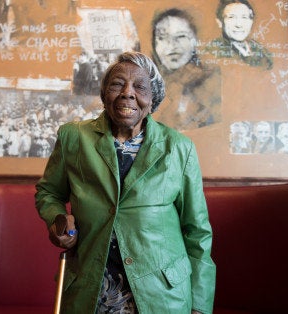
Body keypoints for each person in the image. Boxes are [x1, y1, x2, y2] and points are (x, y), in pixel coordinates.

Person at [35, 51, 215, 313]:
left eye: (139, 86)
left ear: (152, 98)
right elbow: (48, 193)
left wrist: (200, 303)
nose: (127, 93)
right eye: (117, 84)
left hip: (161, 292)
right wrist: (57, 220)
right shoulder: (74, 137)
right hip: (92, 286)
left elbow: (197, 230)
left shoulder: (179, 148)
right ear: (104, 94)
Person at [150, 8, 222, 131]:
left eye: (181, 36)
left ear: (195, 41)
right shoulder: (148, 84)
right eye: (162, 37)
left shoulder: (212, 81)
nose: (172, 45)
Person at [206, 0, 273, 69]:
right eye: (231, 17)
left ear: (251, 21)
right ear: (219, 22)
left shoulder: (261, 50)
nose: (239, 24)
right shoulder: (213, 51)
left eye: (244, 17)